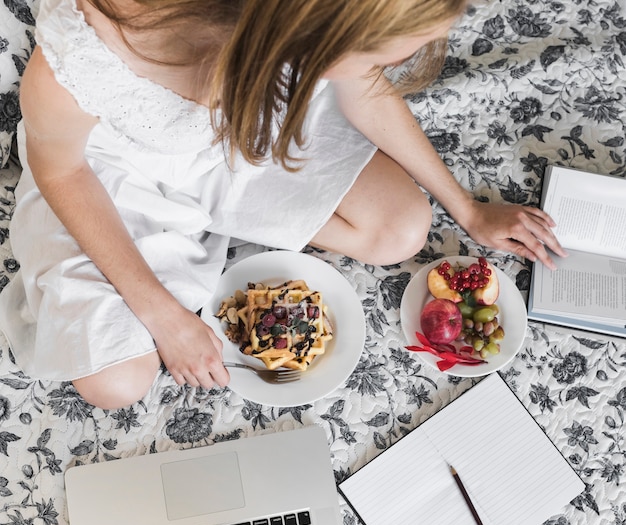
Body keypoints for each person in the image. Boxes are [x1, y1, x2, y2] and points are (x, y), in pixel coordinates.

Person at [0, 0, 566, 410]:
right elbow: (62, 168)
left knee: (403, 230)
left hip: (243, 134)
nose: (402, 63)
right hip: (115, 174)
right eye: (391, 53)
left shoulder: (297, 26)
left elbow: (361, 86)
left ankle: (238, 218)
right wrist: (165, 318)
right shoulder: (85, 53)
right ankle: (206, 239)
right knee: (114, 383)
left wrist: (464, 209)